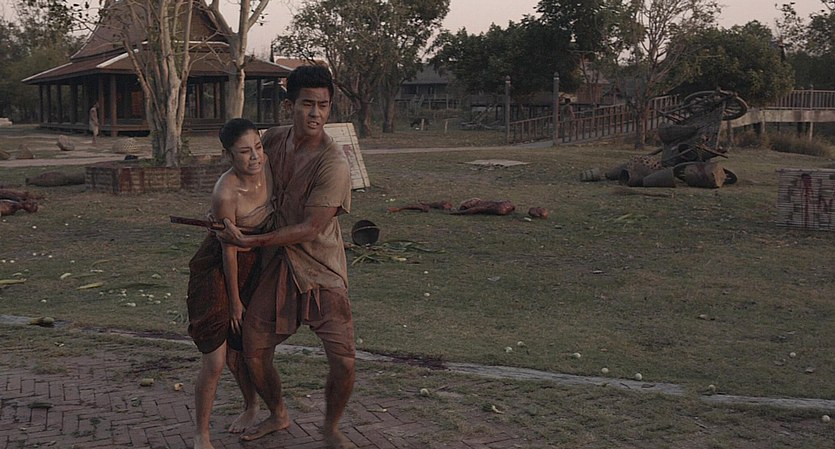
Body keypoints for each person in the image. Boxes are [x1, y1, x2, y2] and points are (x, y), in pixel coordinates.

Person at [215, 65, 356, 449]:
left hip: (321, 267)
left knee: (344, 360)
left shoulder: (333, 163)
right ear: (288, 105)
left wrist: (251, 240)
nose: (315, 114)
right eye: (307, 104)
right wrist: (226, 209)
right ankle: (277, 413)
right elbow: (241, 172)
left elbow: (311, 228)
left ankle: (331, 428)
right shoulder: (272, 141)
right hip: (277, 266)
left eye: (323, 106)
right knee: (254, 351)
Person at [186, 118, 273, 449]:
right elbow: (228, 251)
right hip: (218, 269)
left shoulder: (271, 169)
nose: (255, 157)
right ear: (228, 155)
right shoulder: (225, 192)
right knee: (216, 359)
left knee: (241, 350)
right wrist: (235, 302)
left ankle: (251, 406)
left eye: (258, 147)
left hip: (255, 265)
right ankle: (202, 434)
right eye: (245, 152)